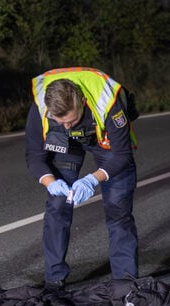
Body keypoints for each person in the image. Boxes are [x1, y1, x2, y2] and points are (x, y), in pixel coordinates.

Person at [25, 68, 138, 291]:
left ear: (83, 102)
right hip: (66, 144)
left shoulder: (107, 101)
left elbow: (122, 155)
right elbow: (34, 155)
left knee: (118, 207)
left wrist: (92, 179)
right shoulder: (40, 108)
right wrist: (50, 181)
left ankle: (125, 281)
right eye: (60, 120)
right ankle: (54, 280)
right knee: (57, 205)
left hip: (104, 138)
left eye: (72, 120)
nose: (68, 125)